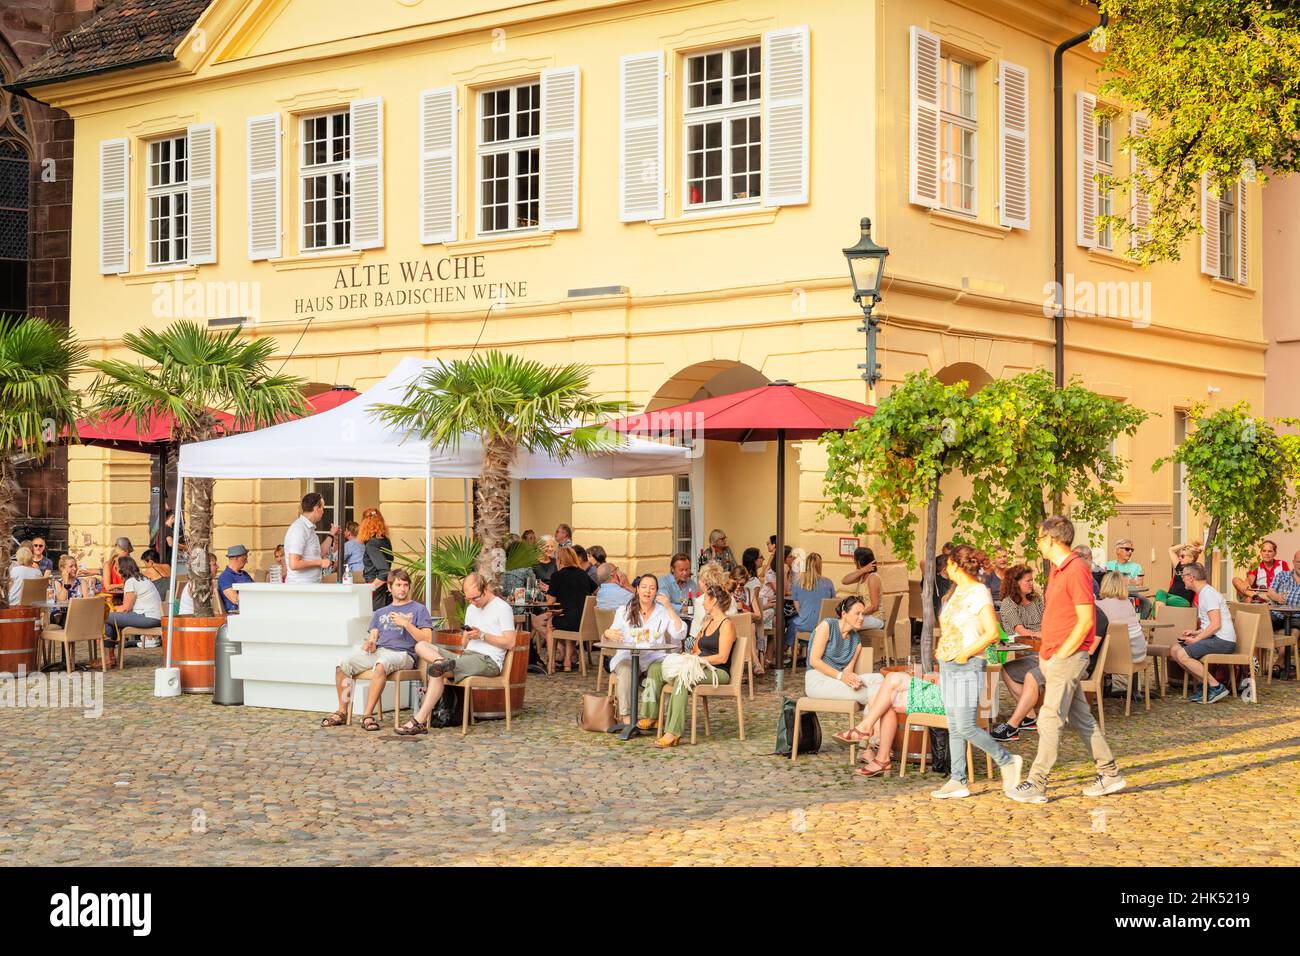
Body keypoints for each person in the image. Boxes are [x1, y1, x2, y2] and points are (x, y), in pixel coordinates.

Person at [1009, 516, 1123, 803]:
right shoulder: (1058, 570)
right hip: (1054, 654)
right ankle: (1110, 773)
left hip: (1067, 656)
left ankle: (1037, 782)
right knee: (1082, 719)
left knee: (1049, 717)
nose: (1037, 542)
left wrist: (1062, 653)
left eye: (1038, 537)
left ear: (1051, 539)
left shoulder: (1076, 570)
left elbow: (1086, 620)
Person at [924, 545, 1021, 799]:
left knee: (966, 725)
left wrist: (966, 653)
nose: (945, 569)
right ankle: (958, 779)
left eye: (949, 565)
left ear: (957, 565)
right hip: (949, 664)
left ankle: (1007, 760)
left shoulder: (979, 592)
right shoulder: (954, 594)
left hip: (968, 665)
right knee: (955, 726)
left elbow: (990, 632)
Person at [395, 573, 515, 735]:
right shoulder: (472, 608)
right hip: (465, 657)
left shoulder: (502, 608)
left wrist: (482, 635)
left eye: (475, 598)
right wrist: (465, 638)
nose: (472, 602)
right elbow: (464, 645)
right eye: (469, 599)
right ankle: (441, 662)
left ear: (485, 589)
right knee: (422, 646)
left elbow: (510, 642)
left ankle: (418, 721)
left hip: (488, 661)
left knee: (438, 670)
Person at [322, 569, 432, 730]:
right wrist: (370, 643)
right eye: (398, 585)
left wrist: (406, 624)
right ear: (389, 587)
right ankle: (342, 711)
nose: (402, 589)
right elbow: (373, 636)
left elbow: (427, 639)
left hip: (404, 654)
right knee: (343, 664)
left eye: (406, 585)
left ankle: (367, 715)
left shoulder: (418, 609)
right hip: (379, 651)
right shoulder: (380, 612)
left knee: (381, 664)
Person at [638, 584, 738, 747]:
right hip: (698, 666)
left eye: (705, 599)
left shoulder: (727, 624)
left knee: (682, 678)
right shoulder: (707, 622)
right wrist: (690, 656)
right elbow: (697, 648)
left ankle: (673, 732)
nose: (702, 602)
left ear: (713, 601)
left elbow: (722, 657)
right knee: (655, 667)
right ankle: (651, 715)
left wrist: (698, 660)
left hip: (717, 671)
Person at [604, 574, 687, 728]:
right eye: (644, 587)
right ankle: (628, 718)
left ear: (656, 592)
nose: (647, 591)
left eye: (652, 588)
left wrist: (669, 607)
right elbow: (611, 635)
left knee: (660, 671)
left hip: (653, 657)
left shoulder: (662, 612)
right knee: (626, 669)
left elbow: (680, 633)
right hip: (628, 656)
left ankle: (653, 716)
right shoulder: (624, 611)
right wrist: (607, 633)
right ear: (637, 589)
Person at [1170, 562, 1237, 704]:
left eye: (1183, 575)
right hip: (1215, 636)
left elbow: (1216, 624)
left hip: (1222, 641)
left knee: (1183, 654)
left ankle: (1216, 687)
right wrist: (1195, 632)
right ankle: (1206, 685)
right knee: (1175, 650)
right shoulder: (1203, 593)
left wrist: (1196, 639)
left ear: (1191, 577)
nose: (1182, 579)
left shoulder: (1208, 594)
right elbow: (1210, 624)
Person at [807, 596, 884, 710]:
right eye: (857, 613)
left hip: (838, 680)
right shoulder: (827, 626)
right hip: (818, 680)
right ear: (844, 613)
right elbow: (814, 661)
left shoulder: (856, 640)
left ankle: (867, 727)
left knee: (878, 678)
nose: (861, 618)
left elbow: (847, 671)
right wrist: (841, 676)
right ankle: (870, 727)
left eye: (863, 614)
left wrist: (853, 680)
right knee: (875, 695)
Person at [99, 556, 163, 669]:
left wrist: (109, 608)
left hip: (147, 617)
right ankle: (110, 657)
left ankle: (108, 658)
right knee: (110, 620)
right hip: (155, 617)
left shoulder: (131, 581)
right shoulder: (142, 579)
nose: (115, 569)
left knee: (104, 616)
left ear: (122, 569)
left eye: (117, 567)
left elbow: (125, 608)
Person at [547, 546, 597, 671]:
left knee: (549, 624)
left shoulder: (557, 576)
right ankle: (568, 662)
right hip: (583, 621)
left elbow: (550, 602)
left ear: (559, 560)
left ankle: (551, 663)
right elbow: (596, 591)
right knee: (567, 616)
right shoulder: (583, 574)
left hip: (569, 620)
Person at [786, 551, 836, 656]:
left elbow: (799, 609)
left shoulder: (797, 583)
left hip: (806, 626)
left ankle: (795, 655)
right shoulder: (828, 582)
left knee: (795, 622)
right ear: (820, 566)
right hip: (824, 626)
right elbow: (833, 605)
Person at [284, 492, 337, 584]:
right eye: (322, 508)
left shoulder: (309, 528)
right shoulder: (299, 529)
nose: (323, 512)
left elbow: (318, 553)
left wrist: (331, 534)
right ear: (316, 509)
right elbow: (294, 564)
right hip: (301, 587)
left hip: (310, 585)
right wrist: (320, 562)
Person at [1096, 571, 1146, 663]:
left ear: (1104, 585)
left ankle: (1096, 676)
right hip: (1140, 652)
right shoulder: (1128, 603)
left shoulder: (1099, 605)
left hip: (1122, 657)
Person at [839, 546, 885, 629]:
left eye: (854, 559)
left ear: (859, 561)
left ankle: (849, 642)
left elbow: (875, 606)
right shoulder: (862, 576)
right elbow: (844, 580)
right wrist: (863, 570)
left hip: (875, 618)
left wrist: (857, 614)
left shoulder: (872, 578)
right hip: (864, 616)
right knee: (839, 622)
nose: (854, 561)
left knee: (845, 624)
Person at [358, 508, 392, 610]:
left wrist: (370, 589)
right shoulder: (385, 540)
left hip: (376, 588)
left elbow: (384, 571)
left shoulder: (372, 544)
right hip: (385, 589)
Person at [1156, 540, 1202, 607]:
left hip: (1183, 600)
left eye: (1183, 556)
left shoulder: (1195, 569)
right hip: (1170, 596)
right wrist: (1186, 544)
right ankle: (1159, 617)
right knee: (1160, 592)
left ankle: (1160, 616)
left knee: (1160, 602)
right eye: (1179, 556)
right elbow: (1170, 550)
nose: (1180, 558)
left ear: (1191, 558)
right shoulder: (1179, 567)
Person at [216, 545, 254, 613]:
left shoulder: (244, 573)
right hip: (238, 613)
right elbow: (236, 600)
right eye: (244, 559)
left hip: (251, 609)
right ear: (236, 558)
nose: (247, 561)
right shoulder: (225, 577)